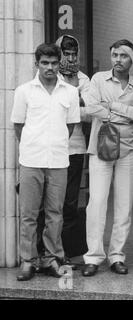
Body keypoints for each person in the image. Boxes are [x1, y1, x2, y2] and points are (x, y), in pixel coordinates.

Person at [80, 39, 133, 277]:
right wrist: (125, 115)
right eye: (114, 55)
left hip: (128, 151)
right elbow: (90, 106)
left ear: (132, 59)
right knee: (97, 202)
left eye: (123, 56)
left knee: (123, 207)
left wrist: (113, 109)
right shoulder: (98, 79)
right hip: (101, 149)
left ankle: (117, 256)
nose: (118, 60)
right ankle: (93, 256)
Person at [11, 43, 80, 281]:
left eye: (53, 63)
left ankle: (52, 258)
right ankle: (28, 261)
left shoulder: (70, 92)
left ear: (59, 63)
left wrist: (54, 144)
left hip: (59, 161)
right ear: (37, 63)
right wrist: (34, 145)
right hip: (31, 159)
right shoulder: (24, 91)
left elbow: (69, 126)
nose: (49, 67)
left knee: (55, 213)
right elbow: (18, 125)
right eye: (44, 63)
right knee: (29, 213)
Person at [34, 35, 90, 266]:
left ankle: (63, 252)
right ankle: (42, 253)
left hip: (75, 148)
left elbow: (87, 112)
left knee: (69, 204)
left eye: (73, 54)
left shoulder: (84, 79)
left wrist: (72, 99)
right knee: (46, 204)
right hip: (47, 150)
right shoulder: (47, 75)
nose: (70, 58)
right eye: (65, 54)